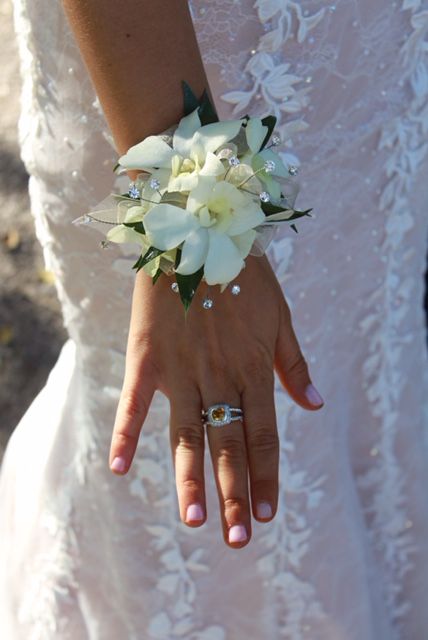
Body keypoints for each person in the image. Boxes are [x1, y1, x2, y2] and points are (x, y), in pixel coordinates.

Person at [1, 0, 428, 637]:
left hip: (370, 69)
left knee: (361, 378)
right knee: (187, 430)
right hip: (172, 77)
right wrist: (189, 258)